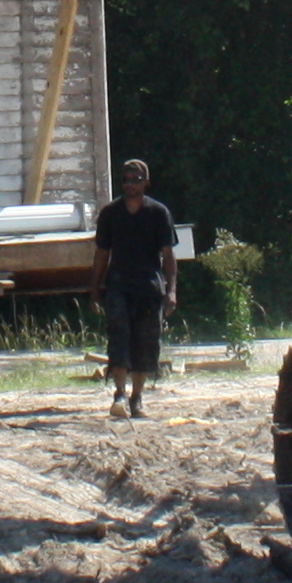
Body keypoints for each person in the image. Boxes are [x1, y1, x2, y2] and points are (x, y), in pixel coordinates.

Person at [93, 158, 179, 419]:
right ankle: (119, 394)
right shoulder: (110, 213)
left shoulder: (158, 213)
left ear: (146, 182)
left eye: (136, 179)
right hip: (118, 284)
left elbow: (169, 256)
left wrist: (171, 291)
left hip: (149, 287)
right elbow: (101, 254)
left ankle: (137, 398)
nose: (131, 184)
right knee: (118, 338)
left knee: (146, 342)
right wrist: (95, 289)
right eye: (126, 179)